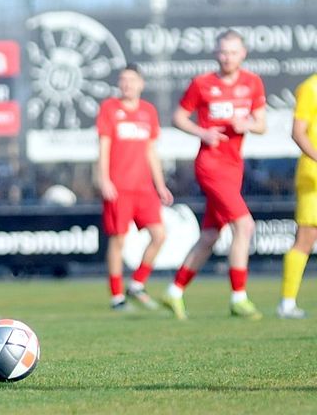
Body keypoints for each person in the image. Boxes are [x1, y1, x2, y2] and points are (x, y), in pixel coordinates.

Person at [161, 30, 267, 320]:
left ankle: (174, 292)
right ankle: (239, 297)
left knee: (209, 235)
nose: (227, 57)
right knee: (244, 226)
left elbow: (262, 125)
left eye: (233, 52)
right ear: (215, 53)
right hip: (210, 165)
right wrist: (202, 132)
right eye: (222, 52)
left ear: (243, 53)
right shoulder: (203, 83)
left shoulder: (252, 83)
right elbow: (178, 117)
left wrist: (246, 123)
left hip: (234, 167)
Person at [96, 64, 174, 311]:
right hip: (119, 187)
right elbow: (104, 147)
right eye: (123, 79)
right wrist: (104, 178)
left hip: (144, 188)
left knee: (159, 235)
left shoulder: (148, 112)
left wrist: (160, 184)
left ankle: (137, 283)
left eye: (132, 79)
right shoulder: (110, 108)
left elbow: (151, 150)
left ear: (141, 83)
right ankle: (116, 297)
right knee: (118, 241)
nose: (127, 84)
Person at [277, 73, 317, 318]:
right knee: (306, 237)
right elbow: (298, 131)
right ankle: (287, 303)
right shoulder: (311, 88)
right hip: (313, 177)